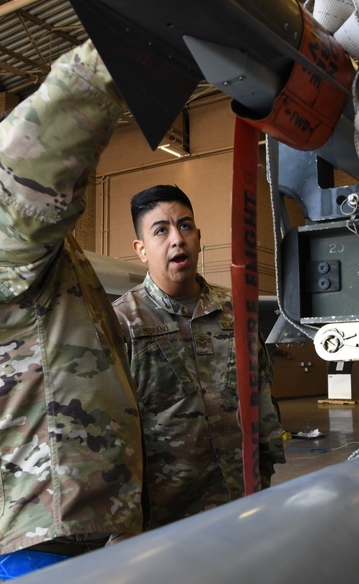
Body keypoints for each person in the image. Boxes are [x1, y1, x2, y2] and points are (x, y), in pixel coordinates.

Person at [0, 41, 143, 583]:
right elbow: (23, 173)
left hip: (52, 548)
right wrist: (131, 43)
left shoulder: (57, 274)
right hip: (7, 559)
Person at [112, 184, 285, 529]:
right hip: (165, 521)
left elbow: (262, 398)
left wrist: (264, 474)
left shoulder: (236, 311)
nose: (177, 238)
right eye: (161, 230)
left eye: (185, 226)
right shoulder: (123, 324)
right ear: (141, 249)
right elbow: (114, 435)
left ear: (199, 236)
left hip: (242, 504)